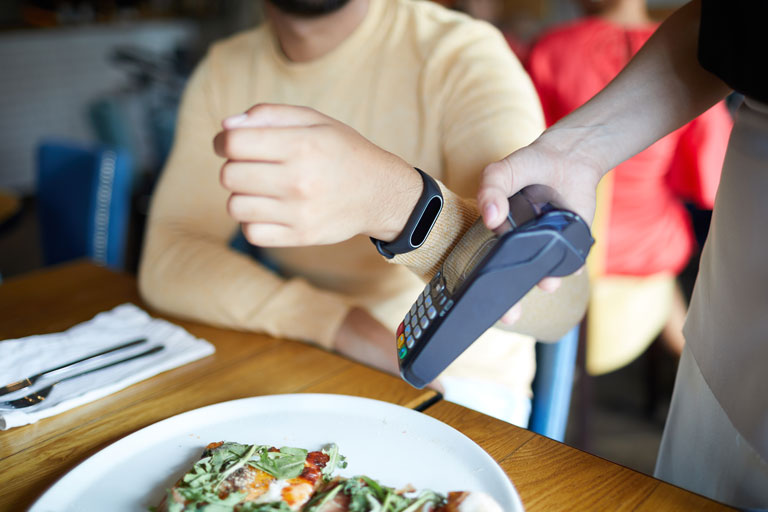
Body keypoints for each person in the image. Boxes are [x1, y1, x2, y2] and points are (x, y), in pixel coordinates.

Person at [138, 0, 588, 427]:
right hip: (309, 350)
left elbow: (552, 302)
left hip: (457, 377)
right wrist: (333, 323)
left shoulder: (462, 54)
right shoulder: (225, 70)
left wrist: (394, 202)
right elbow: (168, 257)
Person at [476, 0, 768, 507]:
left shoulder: (550, 48)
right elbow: (704, 180)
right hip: (640, 296)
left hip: (565, 270)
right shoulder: (691, 43)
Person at [525, 0, 732, 374]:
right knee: (672, 267)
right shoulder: (696, 58)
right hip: (645, 259)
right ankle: (702, 374)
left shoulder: (551, 48)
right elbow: (710, 181)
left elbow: (525, 146)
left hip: (561, 248)